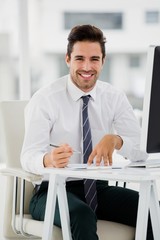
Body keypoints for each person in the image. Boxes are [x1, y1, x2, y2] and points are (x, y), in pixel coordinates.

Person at [21, 24, 153, 240]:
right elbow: (27, 156)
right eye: (79, 58)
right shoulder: (45, 99)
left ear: (103, 61)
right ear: (67, 59)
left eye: (94, 59)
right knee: (81, 214)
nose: (86, 67)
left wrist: (117, 140)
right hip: (52, 190)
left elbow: (142, 150)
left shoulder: (114, 97)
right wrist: (48, 159)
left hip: (98, 188)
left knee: (151, 209)